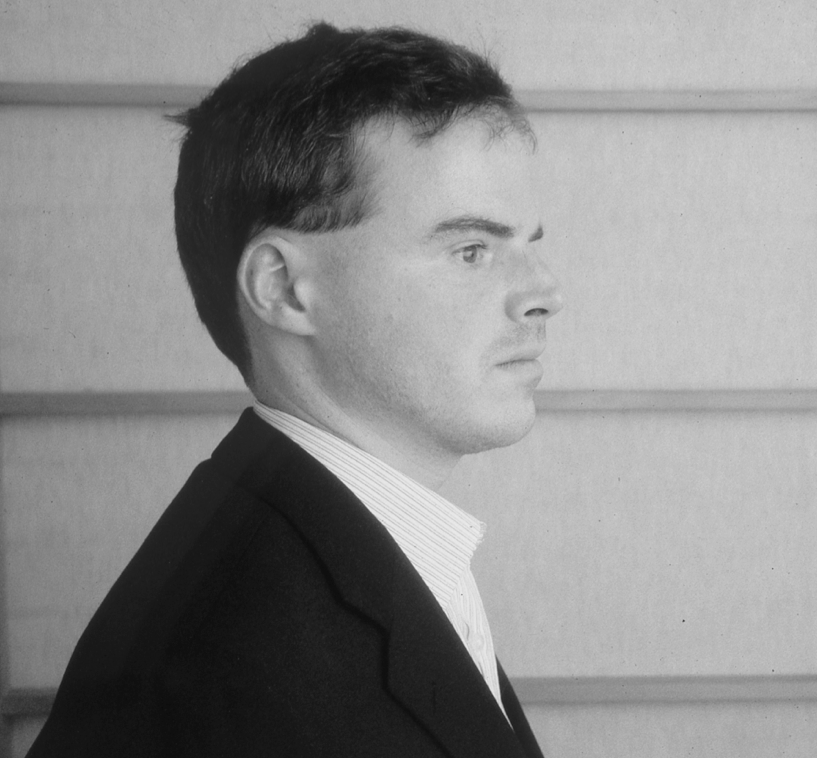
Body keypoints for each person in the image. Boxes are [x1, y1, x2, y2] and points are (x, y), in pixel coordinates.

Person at [29, 21, 561, 758]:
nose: (543, 295)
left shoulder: (327, 565)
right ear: (282, 288)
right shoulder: (230, 669)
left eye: (529, 245)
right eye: (471, 250)